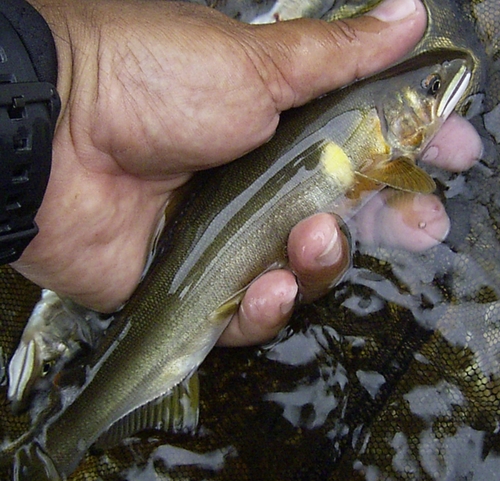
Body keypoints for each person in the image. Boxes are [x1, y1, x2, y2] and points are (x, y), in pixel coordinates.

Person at [3, 0, 482, 346]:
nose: (440, 88)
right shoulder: (386, 151)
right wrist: (81, 77)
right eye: (431, 88)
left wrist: (76, 82)